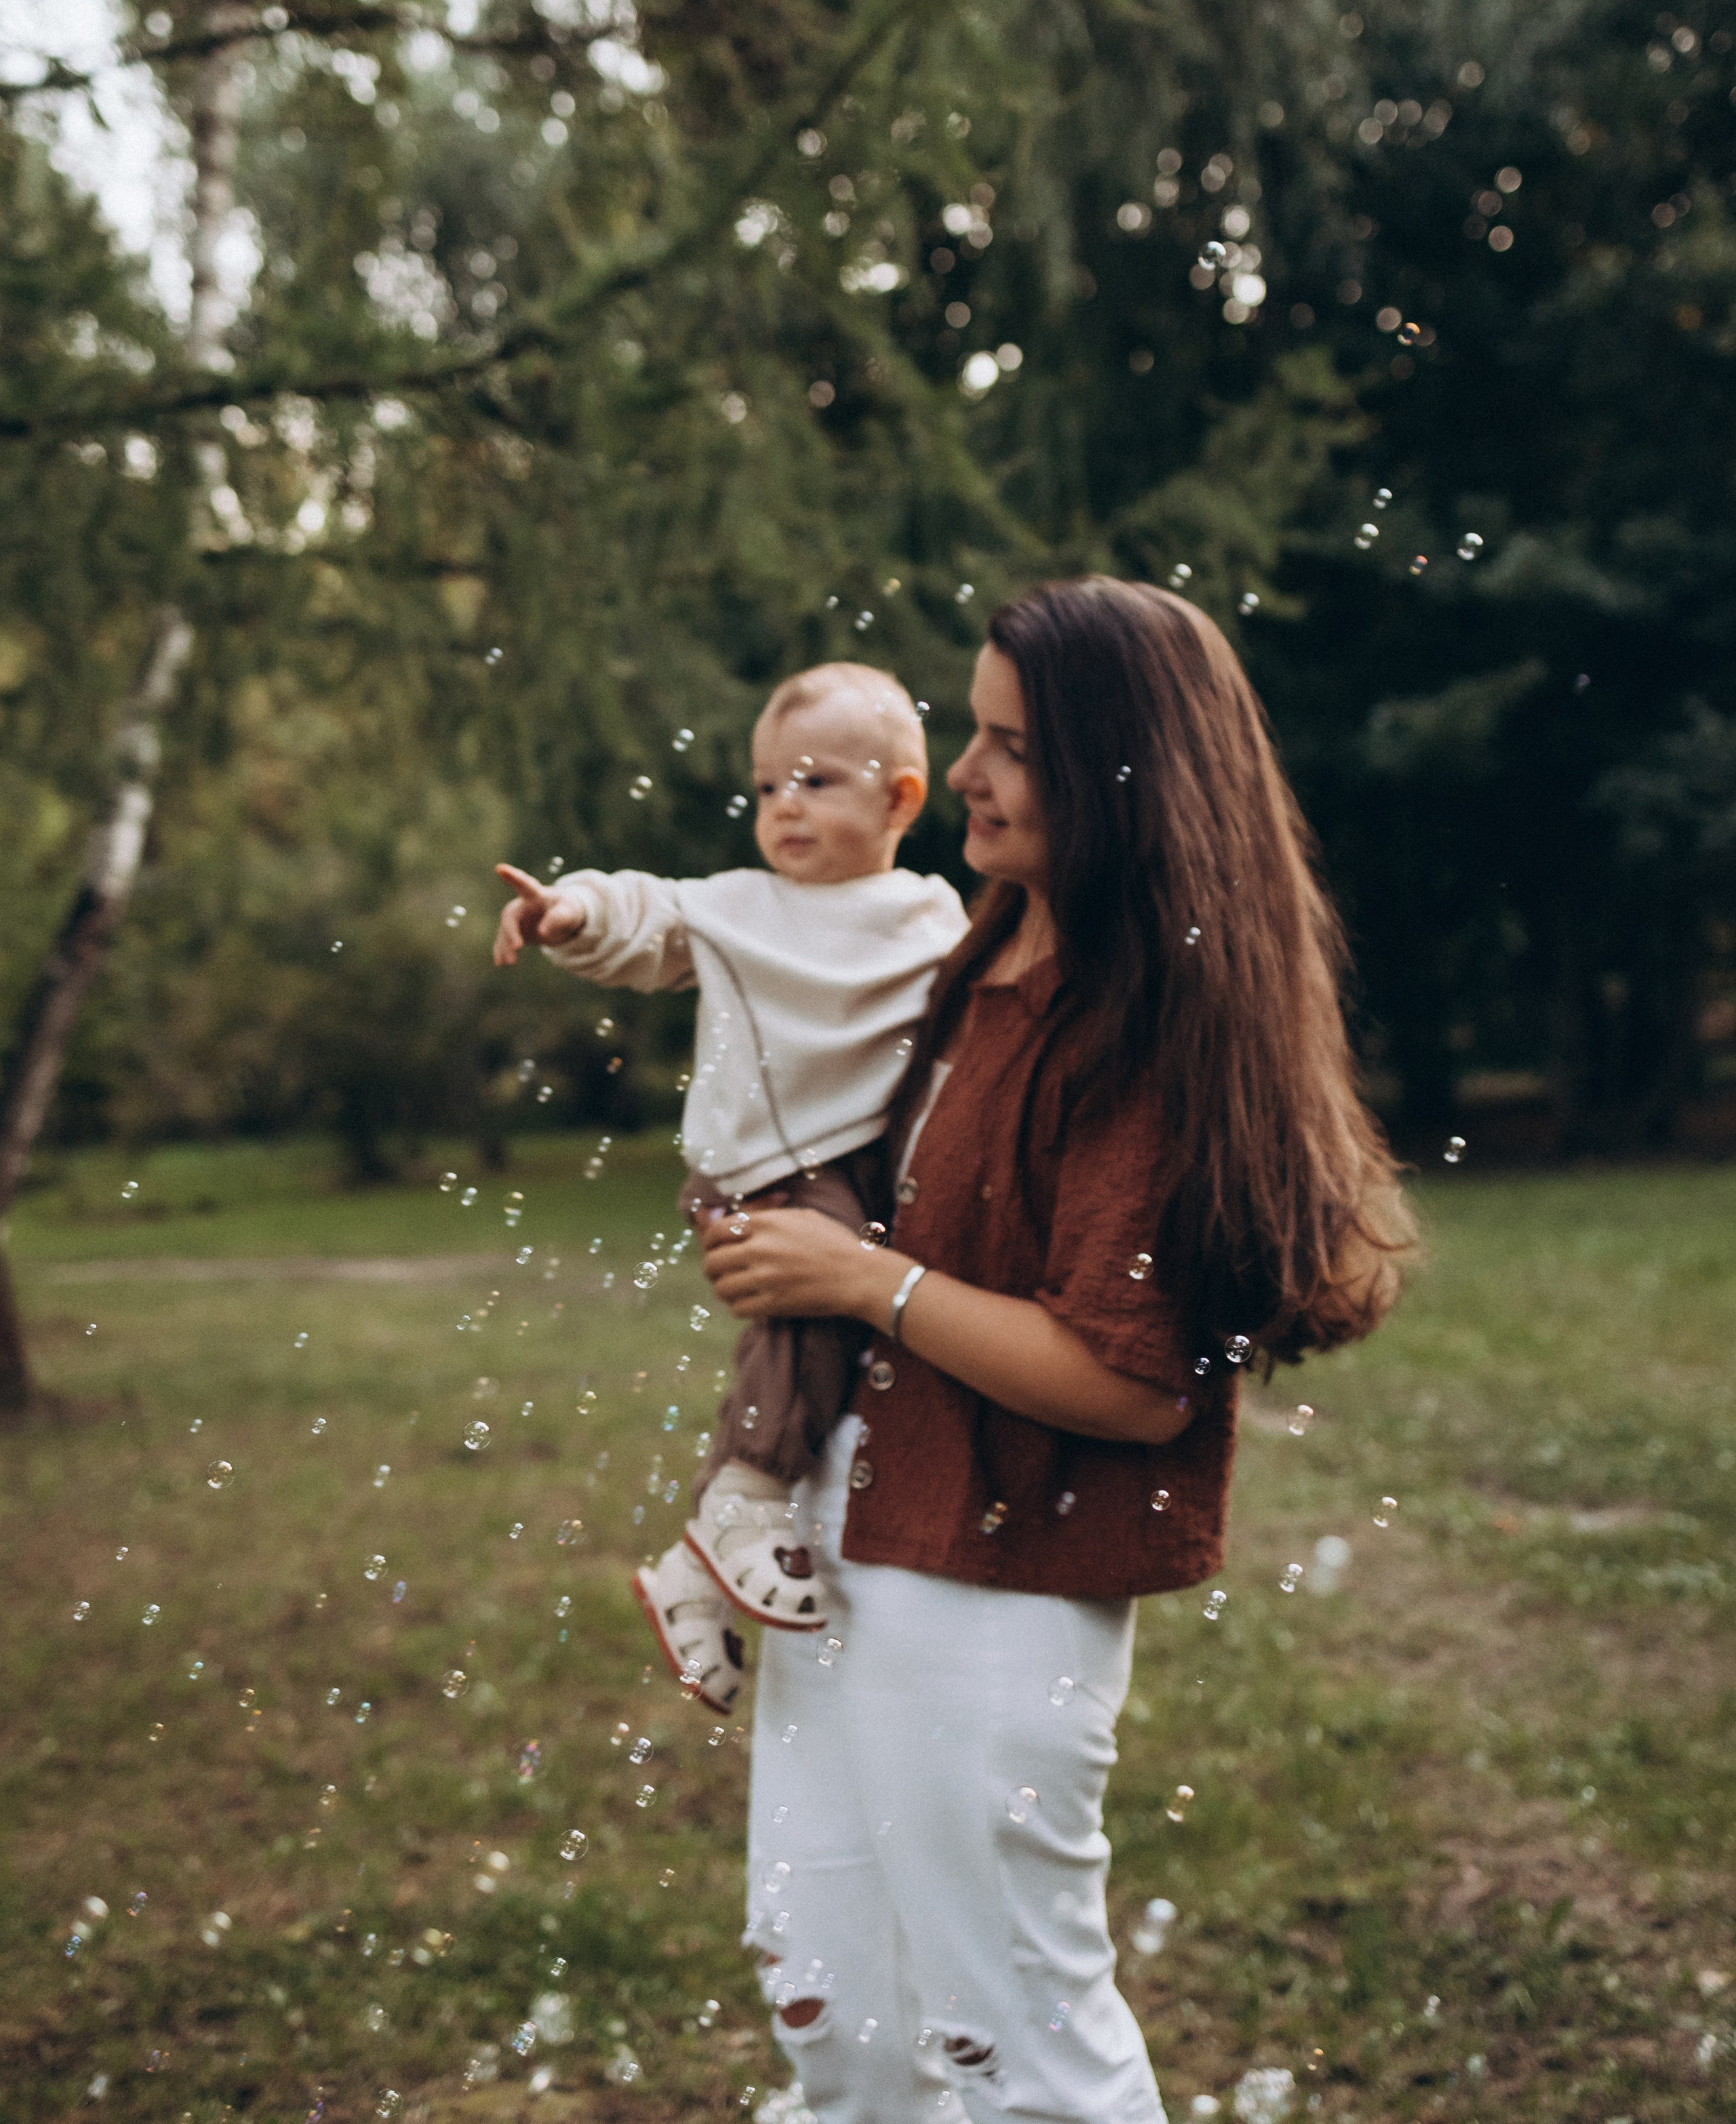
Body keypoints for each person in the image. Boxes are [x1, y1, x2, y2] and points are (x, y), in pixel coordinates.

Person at [697, 576, 1415, 2124]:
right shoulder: (980, 952)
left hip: (1002, 1579)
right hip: (854, 1536)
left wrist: (859, 1277)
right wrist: (782, 1240)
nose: (962, 771)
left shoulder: (1141, 1027)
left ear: (1116, 777)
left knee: (1009, 2040)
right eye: (970, 731)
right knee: (833, 2005)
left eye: (1006, 743)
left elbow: (1132, 1383)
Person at [492, 662, 969, 1716]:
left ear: (900, 800)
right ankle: (742, 1498)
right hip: (763, 1169)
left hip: (862, 1167)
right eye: (765, 788)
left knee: (846, 1332)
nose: (783, 806)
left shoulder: (930, 916)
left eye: (815, 782)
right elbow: (649, 919)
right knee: (820, 1301)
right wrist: (572, 912)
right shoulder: (741, 909)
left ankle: (688, 1575)